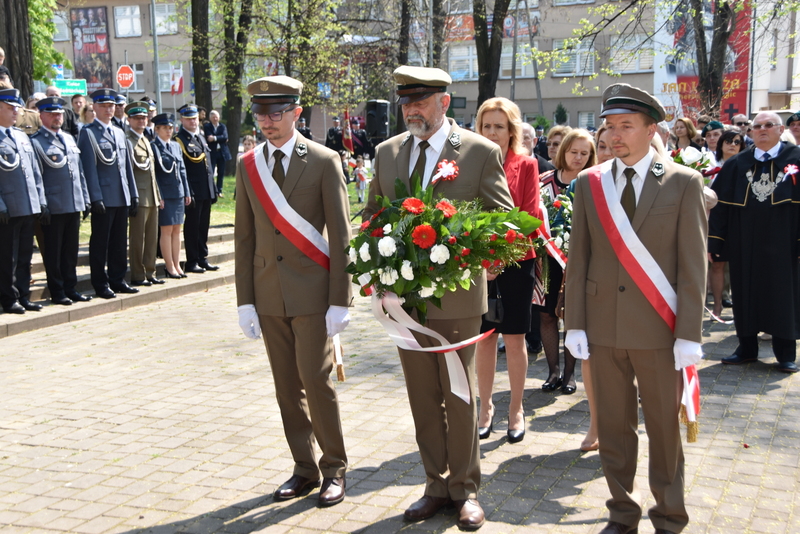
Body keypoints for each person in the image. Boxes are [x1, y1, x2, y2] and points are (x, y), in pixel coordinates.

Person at [363, 66, 514, 531]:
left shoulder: (478, 151)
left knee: (459, 393)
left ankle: (465, 490)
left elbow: (503, 220)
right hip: (406, 303)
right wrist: (374, 259)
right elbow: (372, 215)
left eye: (421, 101)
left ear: (444, 103)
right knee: (423, 397)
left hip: (458, 299)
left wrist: (484, 255)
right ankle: (434, 485)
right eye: (406, 101)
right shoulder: (388, 153)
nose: (412, 109)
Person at [565, 83, 707, 534]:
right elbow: (580, 256)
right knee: (614, 427)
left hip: (658, 331)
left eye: (627, 126)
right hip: (603, 329)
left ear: (652, 130)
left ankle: (669, 515)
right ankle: (622, 513)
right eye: (610, 127)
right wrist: (575, 323)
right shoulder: (590, 184)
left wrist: (689, 333)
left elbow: (692, 266)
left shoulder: (684, 182)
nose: (615, 136)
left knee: (664, 431)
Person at [235, 75, 352, 507]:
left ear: (297, 112)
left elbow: (341, 236)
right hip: (267, 295)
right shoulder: (248, 165)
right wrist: (244, 300)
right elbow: (244, 238)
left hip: (314, 294)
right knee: (286, 386)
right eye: (261, 112)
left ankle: (334, 467)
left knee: (316, 380)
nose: (268, 120)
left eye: (277, 111)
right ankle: (303, 467)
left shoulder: (323, 160)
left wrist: (341, 299)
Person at [709, 111, 800, 374]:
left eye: (768, 125)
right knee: (744, 294)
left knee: (783, 296)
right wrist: (715, 242)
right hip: (744, 243)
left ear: (780, 129)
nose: (762, 130)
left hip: (786, 243)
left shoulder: (796, 159)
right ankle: (746, 348)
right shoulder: (737, 164)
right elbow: (720, 206)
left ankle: (785, 354)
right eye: (757, 126)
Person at [473, 97, 540, 445]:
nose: (493, 132)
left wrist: (501, 258)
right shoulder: (470, 163)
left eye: (500, 126)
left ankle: (516, 409)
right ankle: (485, 409)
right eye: (487, 125)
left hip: (517, 261)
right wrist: (485, 261)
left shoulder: (526, 165)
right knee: (484, 341)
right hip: (479, 264)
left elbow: (530, 216)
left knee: (514, 339)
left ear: (511, 130)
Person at [537, 129, 596, 397]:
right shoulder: (544, 180)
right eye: (574, 152)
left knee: (573, 317)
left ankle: (570, 374)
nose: (579, 158)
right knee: (547, 315)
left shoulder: (593, 181)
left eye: (585, 153)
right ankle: (553, 371)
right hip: (548, 263)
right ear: (564, 152)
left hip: (580, 263)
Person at [31, 97, 92, 305]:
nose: (57, 117)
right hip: (54, 205)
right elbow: (36, 176)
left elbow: (79, 172)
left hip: (73, 202)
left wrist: (85, 198)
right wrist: (42, 204)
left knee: (70, 251)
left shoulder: (68, 138)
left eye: (59, 113)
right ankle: (57, 291)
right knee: (54, 252)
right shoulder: (36, 141)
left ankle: (70, 287)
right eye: (52, 114)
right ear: (42, 116)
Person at [78, 88, 139, 299]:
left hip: (121, 195)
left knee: (119, 242)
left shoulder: (119, 132)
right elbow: (89, 168)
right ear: (94, 107)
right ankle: (100, 283)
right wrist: (95, 197)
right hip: (103, 197)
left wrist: (133, 194)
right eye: (103, 105)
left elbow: (127, 167)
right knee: (100, 244)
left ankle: (118, 279)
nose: (107, 109)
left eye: (111, 105)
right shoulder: (88, 133)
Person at [0, 87, 47, 314]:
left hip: (28, 205)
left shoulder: (20, 136)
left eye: (16, 108)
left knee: (25, 255)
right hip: (8, 207)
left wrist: (40, 201)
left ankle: (24, 295)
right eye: (10, 109)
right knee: (7, 257)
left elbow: (34, 171)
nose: (16, 113)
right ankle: (9, 299)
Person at [174, 103, 218, 273]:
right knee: (192, 227)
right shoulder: (180, 140)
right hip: (193, 191)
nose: (193, 122)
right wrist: (187, 191)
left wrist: (213, 189)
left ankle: (202, 257)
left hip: (206, 189)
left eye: (194, 118)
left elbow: (208, 165)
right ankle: (192, 261)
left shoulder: (200, 137)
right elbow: (182, 169)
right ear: (182, 120)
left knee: (203, 225)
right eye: (189, 119)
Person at [125, 101, 164, 287]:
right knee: (137, 239)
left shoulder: (145, 140)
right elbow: (129, 172)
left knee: (151, 238)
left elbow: (152, 172)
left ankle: (150, 271)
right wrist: (131, 197)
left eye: (144, 118)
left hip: (152, 196)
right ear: (130, 119)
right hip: (139, 197)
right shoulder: (128, 141)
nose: (142, 121)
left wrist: (158, 194)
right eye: (138, 118)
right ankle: (138, 274)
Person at [151, 113, 190, 279]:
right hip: (165, 194)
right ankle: (169, 266)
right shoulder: (154, 147)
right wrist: (158, 194)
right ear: (157, 129)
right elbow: (155, 174)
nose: (169, 131)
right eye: (165, 128)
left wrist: (186, 191)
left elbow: (182, 170)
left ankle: (177, 264)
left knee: (177, 230)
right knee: (166, 230)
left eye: (170, 127)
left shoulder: (175, 146)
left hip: (178, 192)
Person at [203, 110, 232, 196]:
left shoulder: (222, 126)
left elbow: (225, 137)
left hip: (222, 152)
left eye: (216, 117)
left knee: (221, 172)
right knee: (211, 172)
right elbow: (209, 138)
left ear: (219, 118)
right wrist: (220, 138)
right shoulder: (207, 126)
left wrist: (214, 138)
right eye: (213, 117)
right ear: (210, 118)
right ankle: (212, 190)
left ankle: (219, 190)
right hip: (212, 153)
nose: (215, 119)